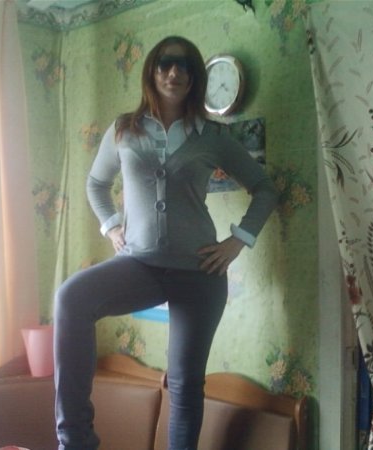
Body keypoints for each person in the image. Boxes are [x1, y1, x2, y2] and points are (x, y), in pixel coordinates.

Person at [53, 35, 278, 450]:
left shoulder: (212, 136)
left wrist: (237, 241)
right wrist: (112, 226)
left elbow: (264, 188)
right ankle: (76, 441)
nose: (175, 72)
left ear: (195, 78)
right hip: (140, 265)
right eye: (166, 64)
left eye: (185, 66)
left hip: (200, 273)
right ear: (152, 72)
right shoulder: (124, 129)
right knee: (71, 299)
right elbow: (96, 183)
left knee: (185, 383)